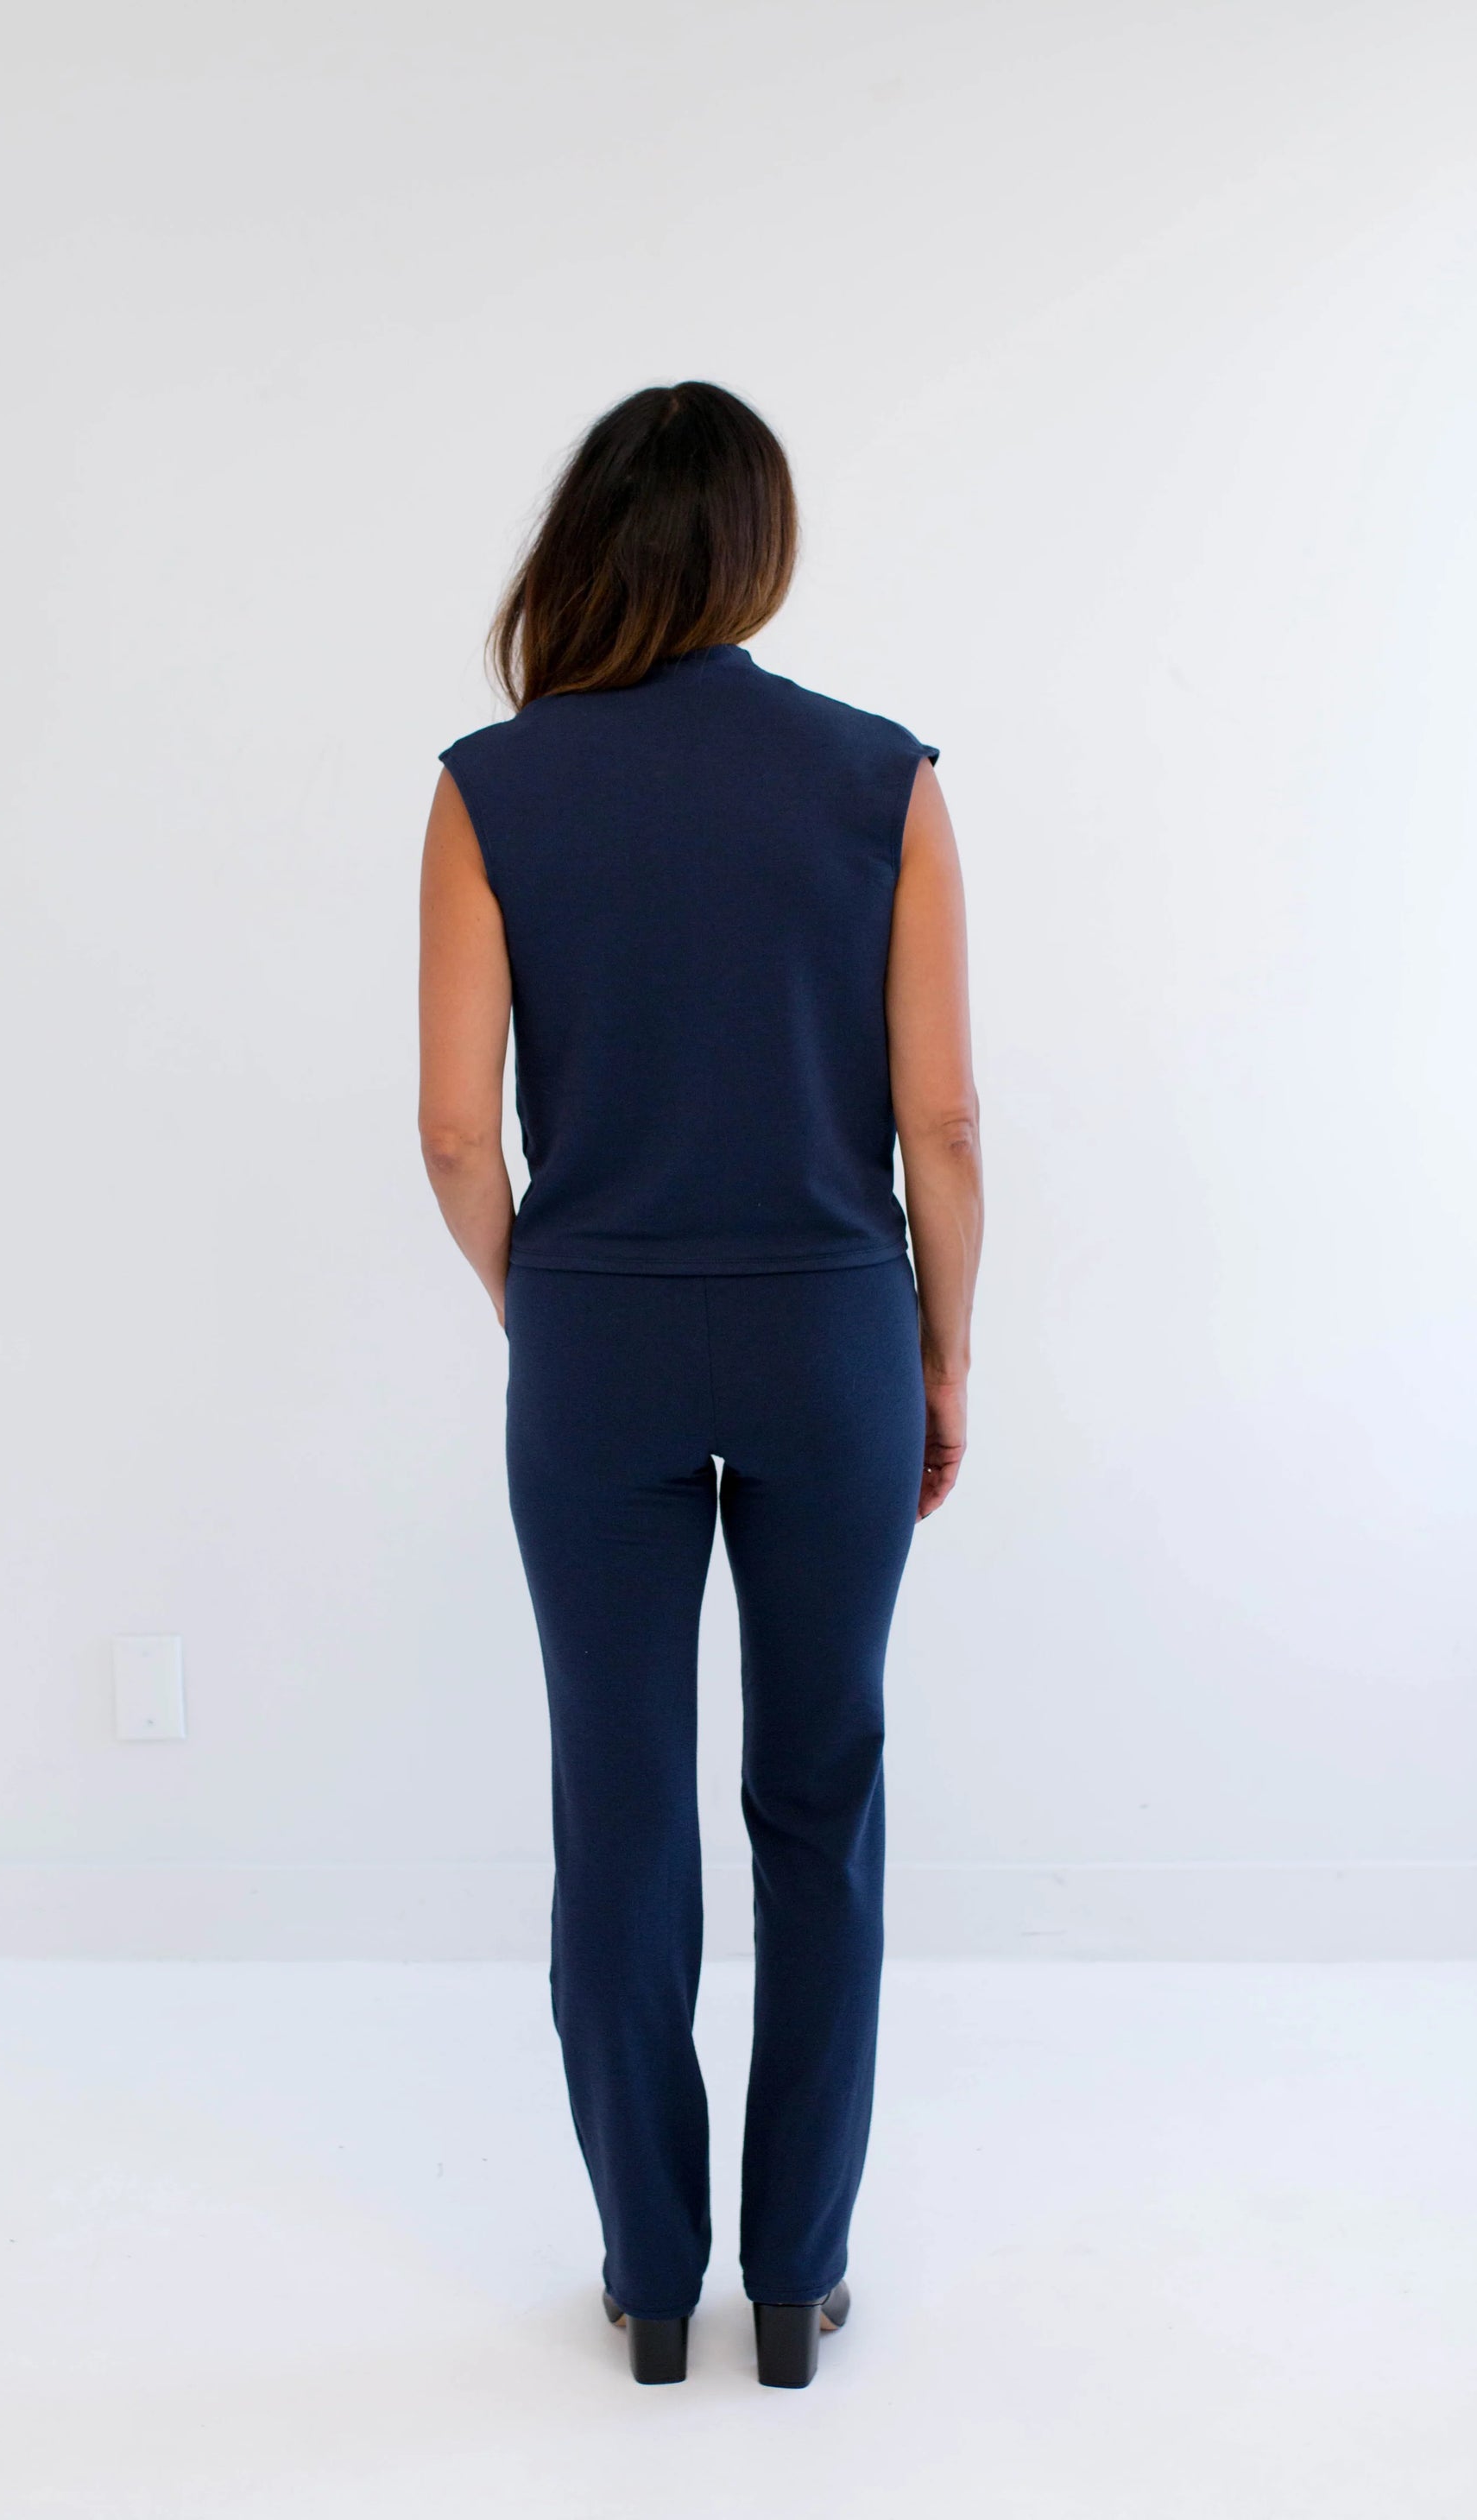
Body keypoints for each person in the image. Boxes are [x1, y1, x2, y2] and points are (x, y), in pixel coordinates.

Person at [417, 381, 982, 2388]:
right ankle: (796, 2279)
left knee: (620, 1806)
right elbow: (941, 1116)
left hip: (597, 1337)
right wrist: (941, 1346)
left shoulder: (492, 788)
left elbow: (457, 1135)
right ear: (758, 548)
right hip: (830, 1326)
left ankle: (651, 2276)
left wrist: (538, 1304)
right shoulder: (878, 780)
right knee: (818, 1796)